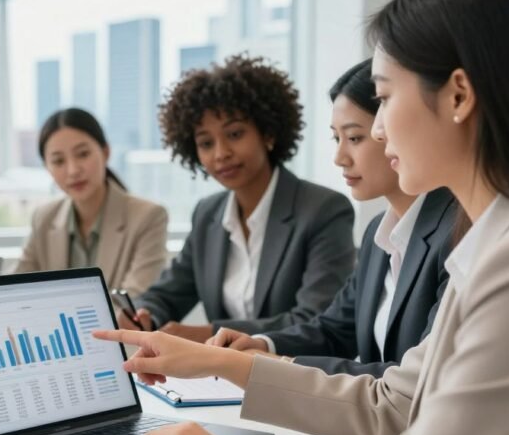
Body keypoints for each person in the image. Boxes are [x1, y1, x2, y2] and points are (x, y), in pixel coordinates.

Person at [94, 0, 509, 435]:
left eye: (384, 99)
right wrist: (225, 365)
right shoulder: (498, 240)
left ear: (458, 96)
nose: (379, 129)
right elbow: (396, 404)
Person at [208, 59, 457, 377]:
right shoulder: (377, 234)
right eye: (335, 139)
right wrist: (262, 345)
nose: (340, 158)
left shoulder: (455, 231)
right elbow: (336, 329)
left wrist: (276, 367)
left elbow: (417, 380)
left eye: (354, 138)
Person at [120, 54, 356, 343]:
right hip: (222, 381)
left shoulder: (323, 210)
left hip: (292, 377)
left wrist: (207, 334)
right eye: (206, 143)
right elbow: (169, 292)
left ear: (268, 133)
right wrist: (147, 313)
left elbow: (316, 319)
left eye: (234, 134)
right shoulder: (208, 213)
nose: (220, 153)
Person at [15, 107, 168, 295]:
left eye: (83, 154)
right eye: (58, 161)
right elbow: (15, 290)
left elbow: (135, 300)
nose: (73, 170)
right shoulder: (44, 218)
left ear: (105, 152)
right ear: (47, 168)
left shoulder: (148, 217)